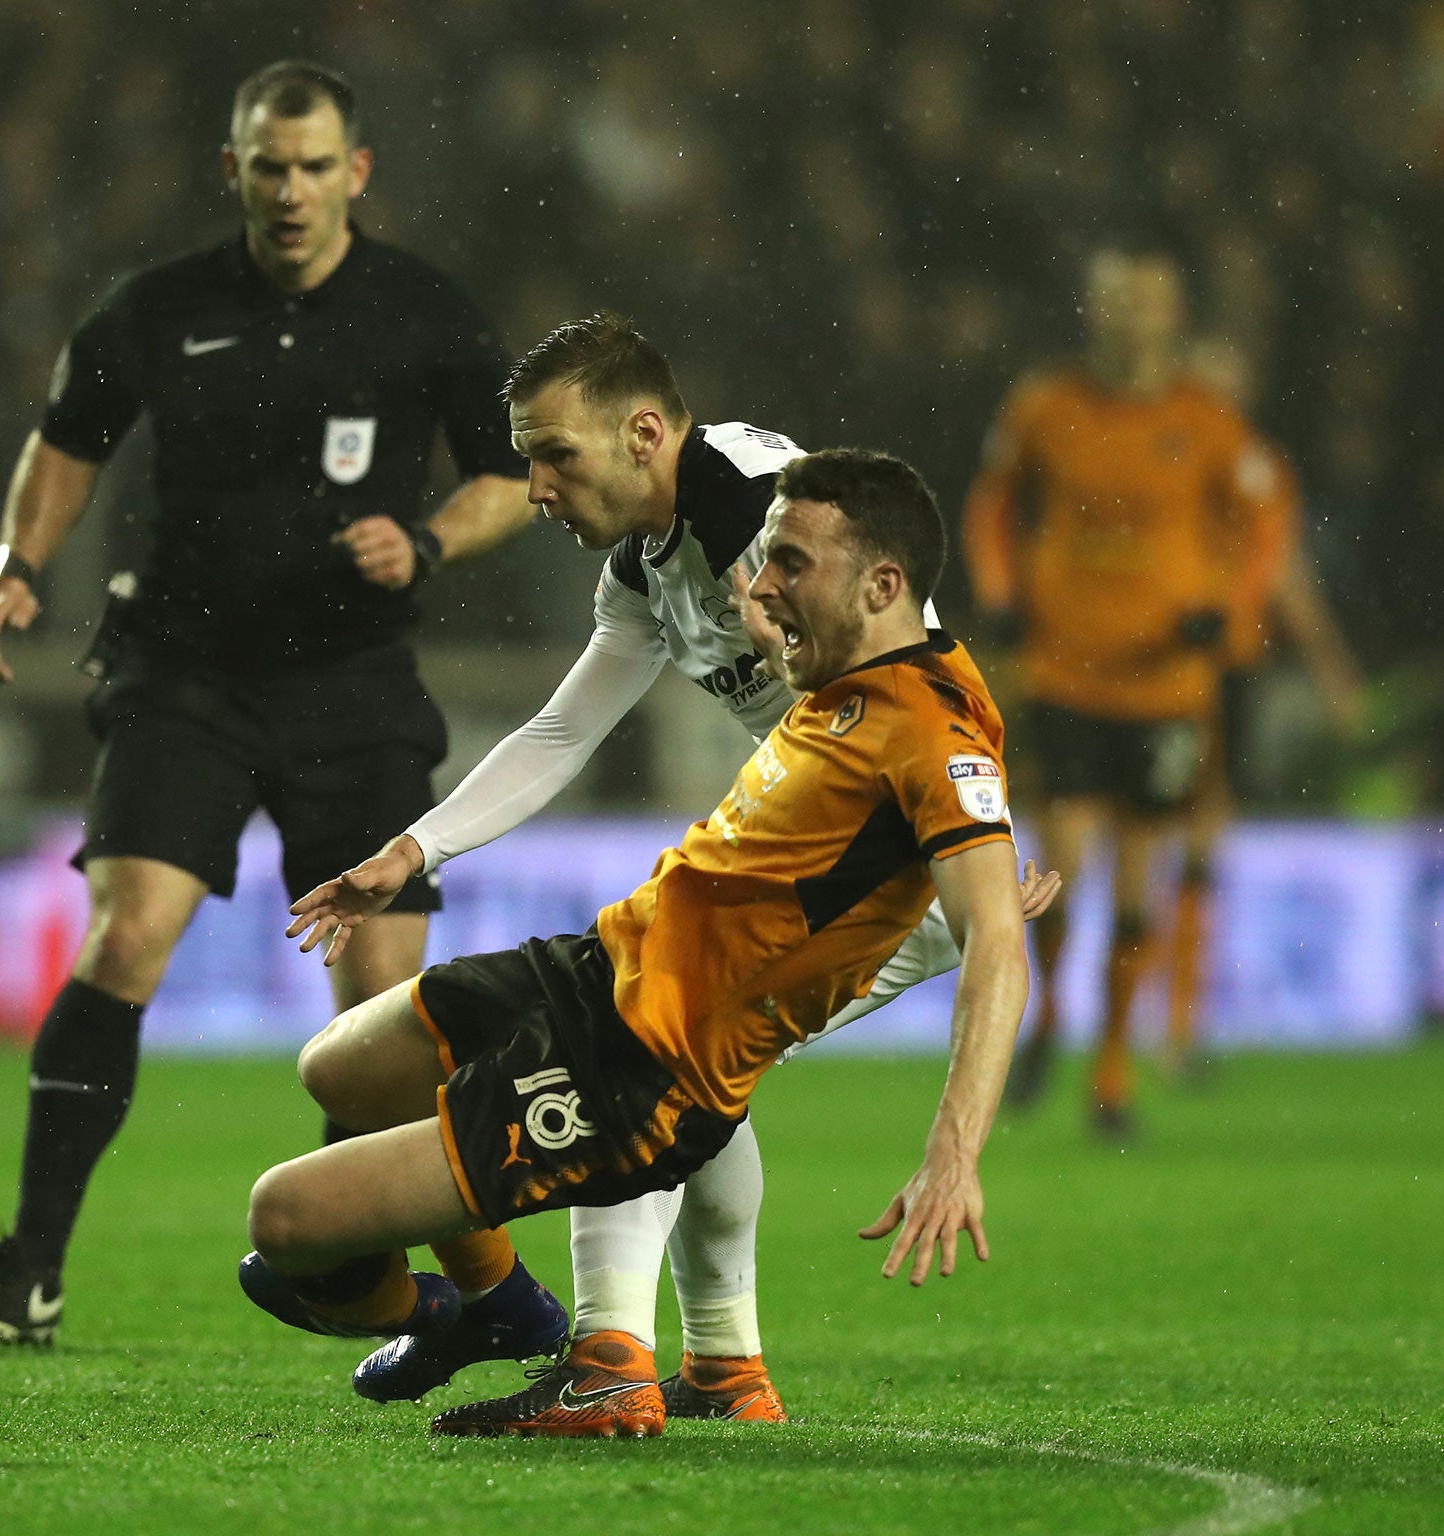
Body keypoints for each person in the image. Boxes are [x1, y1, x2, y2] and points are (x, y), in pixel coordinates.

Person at [279, 315, 1057, 1433]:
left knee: (646, 1062)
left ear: (643, 434)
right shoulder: (646, 564)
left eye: (553, 455)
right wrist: (416, 849)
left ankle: (605, 1355)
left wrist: (958, 852)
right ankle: (723, 1367)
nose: (531, 485)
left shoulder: (761, 501)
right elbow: (561, 732)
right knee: (687, 1084)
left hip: (869, 885)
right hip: (808, 870)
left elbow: (903, 644)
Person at [0, 60, 532, 1346]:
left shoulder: (421, 313)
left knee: (380, 1012)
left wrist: (428, 543)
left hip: (352, 684)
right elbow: (66, 443)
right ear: (234, 172)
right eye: (268, 167)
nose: (290, 192)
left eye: (314, 167)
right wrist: (15, 571)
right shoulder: (158, 309)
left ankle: (355, 1280)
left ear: (354, 175)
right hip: (183, 672)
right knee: (124, 937)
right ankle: (28, 1266)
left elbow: (507, 476)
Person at [963, 249, 1289, 1140]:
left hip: (1167, 686)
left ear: (1172, 315)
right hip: (1065, 672)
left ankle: (1111, 1074)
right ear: (1094, 311)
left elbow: (1267, 520)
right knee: (1062, 873)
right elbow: (993, 504)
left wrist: (1230, 612)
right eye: (1116, 302)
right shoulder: (1046, 408)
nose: (1131, 318)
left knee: (1141, 886)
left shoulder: (1206, 420)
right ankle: (1054, 1017)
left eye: (1147, 303)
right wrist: (998, 587)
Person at [1160, 339, 1366, 1080]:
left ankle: (1177, 1025)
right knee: (1146, 836)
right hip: (1150, 668)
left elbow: (1284, 574)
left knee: (1199, 839)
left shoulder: (1255, 468)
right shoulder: (1165, 454)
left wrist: (1331, 666)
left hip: (1225, 671)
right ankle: (1129, 1025)